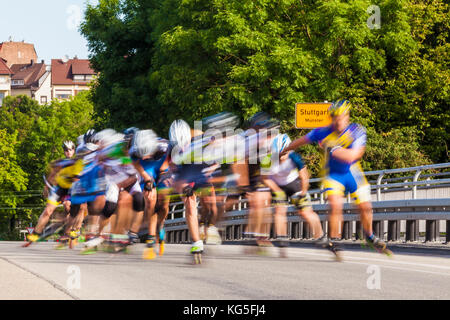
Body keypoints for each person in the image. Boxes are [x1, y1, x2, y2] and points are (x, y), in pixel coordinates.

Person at [283, 99, 390, 260]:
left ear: (347, 117)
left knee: (366, 208)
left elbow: (353, 156)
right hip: (333, 174)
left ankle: (369, 235)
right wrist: (285, 150)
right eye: (335, 118)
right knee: (335, 204)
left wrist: (332, 149)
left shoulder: (357, 131)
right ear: (331, 118)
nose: (338, 122)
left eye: (341, 118)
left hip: (353, 173)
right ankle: (336, 241)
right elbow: (301, 141)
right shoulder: (323, 131)